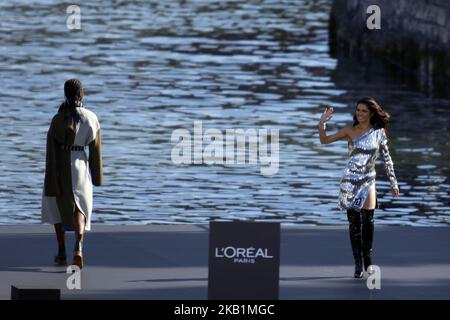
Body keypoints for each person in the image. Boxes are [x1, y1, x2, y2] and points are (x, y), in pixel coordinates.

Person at [318, 97, 399, 278]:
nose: (360, 114)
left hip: (369, 180)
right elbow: (324, 141)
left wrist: (393, 182)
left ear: (371, 113)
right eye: (358, 110)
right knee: (354, 224)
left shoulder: (379, 133)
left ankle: (368, 260)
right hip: (349, 182)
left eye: (363, 111)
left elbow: (387, 160)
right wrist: (322, 122)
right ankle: (357, 264)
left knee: (367, 221)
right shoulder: (349, 131)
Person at [41, 79, 103, 269]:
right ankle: (79, 246)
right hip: (79, 164)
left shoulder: (57, 119)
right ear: (81, 94)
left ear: (65, 94)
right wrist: (97, 176)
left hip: (59, 165)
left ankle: (61, 251)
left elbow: (50, 149)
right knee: (80, 208)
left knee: (56, 206)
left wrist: (50, 176)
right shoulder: (91, 118)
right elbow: (96, 151)